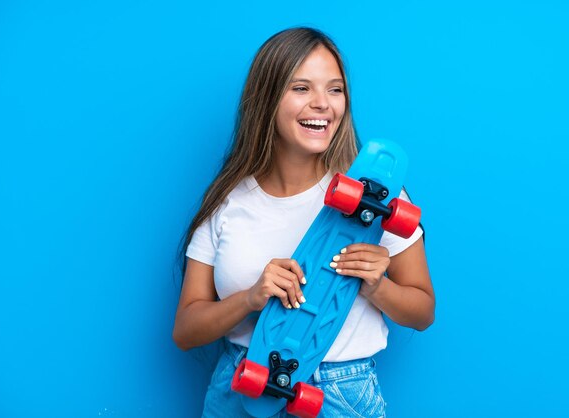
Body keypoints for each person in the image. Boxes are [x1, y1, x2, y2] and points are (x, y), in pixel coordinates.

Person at [173, 27, 435, 417]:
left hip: (340, 392)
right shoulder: (227, 203)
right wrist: (249, 298)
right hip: (242, 384)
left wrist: (377, 287)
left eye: (334, 89)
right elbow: (186, 330)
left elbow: (423, 311)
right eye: (301, 88)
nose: (322, 104)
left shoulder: (376, 200)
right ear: (266, 98)